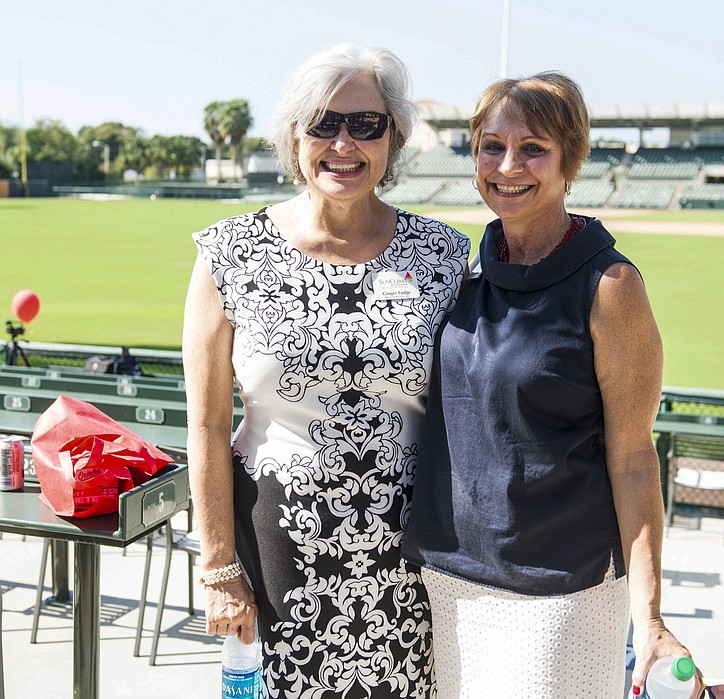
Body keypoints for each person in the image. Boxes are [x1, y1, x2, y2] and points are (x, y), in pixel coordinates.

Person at [182, 43, 469, 698]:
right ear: (294, 135)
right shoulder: (229, 253)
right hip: (278, 545)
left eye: (366, 124)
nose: (344, 142)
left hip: (410, 558)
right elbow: (206, 421)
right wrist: (218, 565)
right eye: (324, 123)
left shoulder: (443, 254)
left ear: (393, 138)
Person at [401, 71, 692, 698]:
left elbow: (635, 459)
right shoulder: (463, 267)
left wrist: (652, 618)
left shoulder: (610, 287)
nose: (509, 165)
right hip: (444, 578)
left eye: (533, 147)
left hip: (560, 588)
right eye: (491, 145)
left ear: (571, 161)